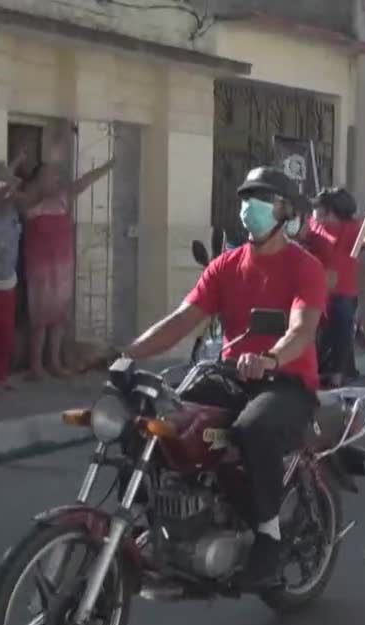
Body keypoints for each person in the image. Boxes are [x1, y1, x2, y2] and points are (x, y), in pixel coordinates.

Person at [120, 166, 327, 588]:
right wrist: (126, 353)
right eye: (247, 198)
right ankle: (150, 517)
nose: (250, 208)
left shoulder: (304, 267)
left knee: (252, 429)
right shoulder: (225, 265)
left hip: (284, 381)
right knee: (155, 417)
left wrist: (270, 358)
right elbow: (182, 321)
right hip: (231, 374)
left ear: (284, 210)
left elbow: (302, 330)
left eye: (262, 199)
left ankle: (268, 534)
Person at [22, 155, 116, 378]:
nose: (54, 179)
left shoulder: (63, 197)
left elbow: (86, 180)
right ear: (37, 179)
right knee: (40, 318)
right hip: (40, 269)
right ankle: (36, 366)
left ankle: (54, 362)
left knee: (59, 317)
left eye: (54, 175)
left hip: (62, 267)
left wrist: (108, 165)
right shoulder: (30, 201)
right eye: (48, 175)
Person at [315, 187, 365, 387]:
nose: (314, 213)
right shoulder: (312, 227)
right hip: (316, 294)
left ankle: (338, 374)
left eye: (319, 209)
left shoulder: (353, 229)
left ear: (331, 211)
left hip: (342, 294)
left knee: (342, 325)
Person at [0, 158, 28, 390]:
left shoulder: (12, 207)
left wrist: (13, 170)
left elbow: (26, 197)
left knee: (5, 332)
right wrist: (10, 172)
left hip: (8, 280)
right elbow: (0, 194)